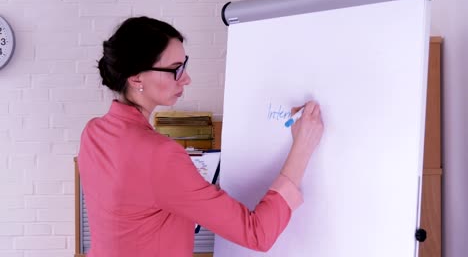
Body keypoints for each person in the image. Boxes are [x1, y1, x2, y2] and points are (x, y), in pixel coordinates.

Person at [78, 16, 324, 257]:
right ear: (136, 78)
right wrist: (302, 147)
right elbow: (256, 234)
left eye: (184, 65)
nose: (186, 78)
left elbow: (134, 209)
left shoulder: (93, 132)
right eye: (175, 69)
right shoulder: (160, 155)